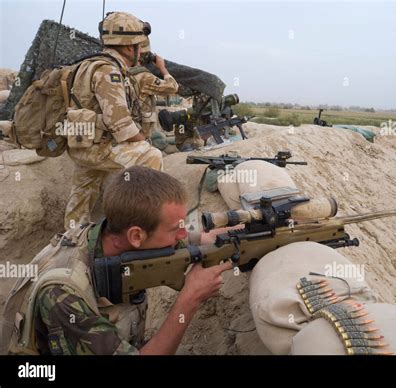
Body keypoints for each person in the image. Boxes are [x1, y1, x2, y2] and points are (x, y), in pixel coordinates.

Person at [0, 166, 232, 355]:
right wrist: (189, 299)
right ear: (136, 236)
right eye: (176, 229)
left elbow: (167, 241)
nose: (183, 235)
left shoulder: (104, 236)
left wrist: (208, 239)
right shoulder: (63, 292)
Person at [63, 12, 169, 231]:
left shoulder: (88, 64)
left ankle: (71, 238)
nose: (141, 53)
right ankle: (147, 227)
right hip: (98, 147)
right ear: (130, 47)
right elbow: (122, 126)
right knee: (151, 156)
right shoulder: (109, 71)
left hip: (82, 145)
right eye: (139, 46)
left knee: (81, 194)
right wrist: (143, 142)